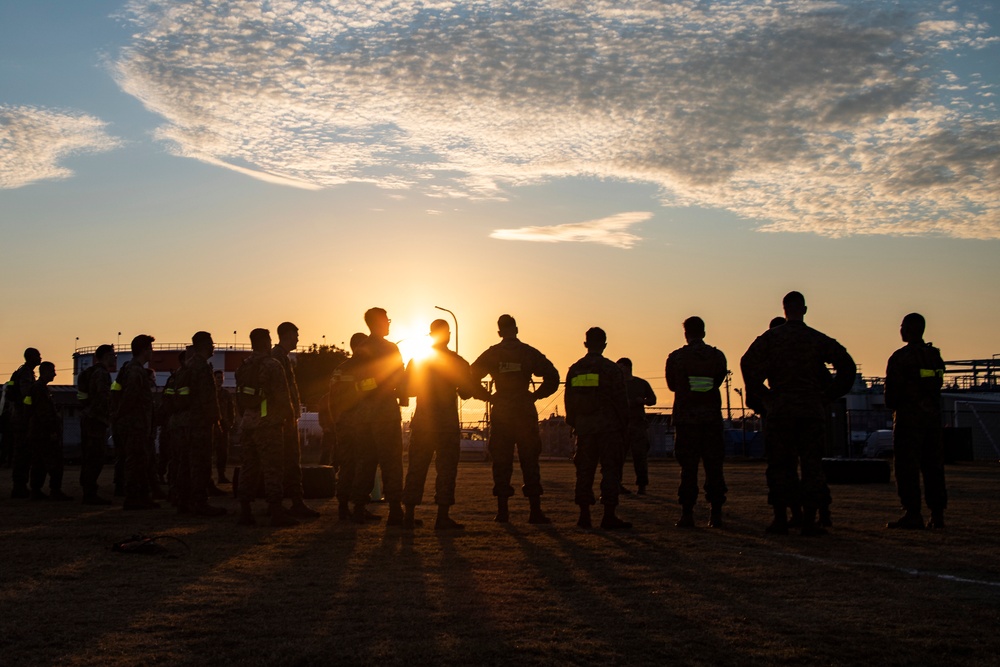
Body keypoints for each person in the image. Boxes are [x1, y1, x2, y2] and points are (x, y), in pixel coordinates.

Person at [741, 292, 855, 536]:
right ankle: (809, 521)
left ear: (784, 310)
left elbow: (746, 363)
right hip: (810, 411)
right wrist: (828, 396)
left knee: (781, 465)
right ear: (804, 309)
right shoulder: (816, 339)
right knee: (812, 466)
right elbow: (847, 365)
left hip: (781, 410)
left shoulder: (771, 339)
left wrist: (765, 395)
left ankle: (781, 518)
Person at [402, 320, 491, 530]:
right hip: (446, 424)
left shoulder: (418, 360)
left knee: (416, 468)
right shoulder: (457, 362)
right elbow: (467, 391)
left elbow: (409, 389)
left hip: (423, 423)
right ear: (448, 335)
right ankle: (442, 516)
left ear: (430, 335)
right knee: (447, 470)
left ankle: (409, 515)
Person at [470, 314, 560, 523]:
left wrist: (488, 397)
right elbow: (552, 377)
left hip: (501, 412)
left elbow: (470, 377)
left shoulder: (492, 355)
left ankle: (502, 512)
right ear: (516, 330)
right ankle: (535, 511)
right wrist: (535, 395)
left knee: (501, 462)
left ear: (499, 332)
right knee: (530, 461)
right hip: (524, 412)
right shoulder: (528, 353)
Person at [884, 313, 947, 530]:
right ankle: (937, 514)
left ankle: (913, 513)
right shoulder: (934, 356)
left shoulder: (900, 358)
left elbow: (890, 397)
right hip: (932, 420)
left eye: (902, 326)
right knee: (934, 468)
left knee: (907, 469)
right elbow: (937, 383)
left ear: (908, 329)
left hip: (908, 421)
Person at [565, 327, 631, 530]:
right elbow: (622, 400)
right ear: (604, 344)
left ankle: (584, 516)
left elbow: (569, 400)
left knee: (584, 472)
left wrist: (575, 422)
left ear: (586, 344)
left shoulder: (576, 369)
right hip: (609, 429)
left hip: (585, 429)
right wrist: (623, 425)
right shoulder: (612, 369)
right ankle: (608, 516)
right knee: (610, 471)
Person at [665, 318, 728, 528]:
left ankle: (687, 514)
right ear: (704, 331)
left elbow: (672, 385)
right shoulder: (717, 356)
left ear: (686, 333)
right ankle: (716, 514)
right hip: (711, 419)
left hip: (687, 421)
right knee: (714, 467)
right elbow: (718, 380)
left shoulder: (676, 358)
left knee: (688, 469)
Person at [236, 328, 299, 527]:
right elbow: (283, 397)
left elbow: (240, 398)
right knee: (273, 469)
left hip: (248, 424)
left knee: (249, 468)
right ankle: (276, 511)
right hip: (269, 425)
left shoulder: (244, 367)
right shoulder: (273, 365)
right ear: (266, 342)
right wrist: (288, 419)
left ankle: (245, 511)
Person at [352, 308, 407, 525]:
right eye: (387, 320)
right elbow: (399, 379)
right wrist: (388, 387)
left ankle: (358, 507)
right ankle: (395, 510)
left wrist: (372, 387)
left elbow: (358, 383)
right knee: (391, 462)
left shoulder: (361, 349)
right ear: (378, 322)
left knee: (365, 462)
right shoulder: (389, 348)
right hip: (384, 413)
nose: (389, 323)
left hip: (363, 415)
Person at [172, 331, 225, 516]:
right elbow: (207, 399)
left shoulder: (186, 366)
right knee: (200, 464)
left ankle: (183, 502)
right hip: (200, 423)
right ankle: (199, 502)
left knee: (185, 464)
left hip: (185, 423)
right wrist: (216, 420)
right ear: (205, 345)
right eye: (211, 343)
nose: (213, 346)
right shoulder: (201, 367)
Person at [272, 321, 320, 519]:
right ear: (287, 335)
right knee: (287, 461)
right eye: (296, 335)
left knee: (290, 461)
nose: (298, 339)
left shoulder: (282, 358)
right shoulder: (276, 358)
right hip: (282, 420)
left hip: (286, 419)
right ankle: (288, 503)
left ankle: (294, 501)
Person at [328, 333, 374, 522]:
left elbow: (331, 397)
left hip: (342, 423)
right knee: (365, 464)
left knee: (346, 465)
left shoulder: (340, 369)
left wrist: (335, 421)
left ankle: (342, 506)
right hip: (362, 423)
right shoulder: (366, 368)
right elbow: (370, 390)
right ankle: (359, 507)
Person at [113, 335, 159, 510]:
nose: (152, 352)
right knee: (136, 461)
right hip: (135, 424)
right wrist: (121, 415)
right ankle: (133, 497)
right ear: (144, 350)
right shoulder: (135, 371)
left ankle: (142, 496)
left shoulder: (130, 369)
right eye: (150, 349)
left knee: (142, 460)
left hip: (138, 423)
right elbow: (129, 398)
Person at [25, 362, 71, 501]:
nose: (55, 374)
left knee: (39, 462)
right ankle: (54, 490)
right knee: (55, 462)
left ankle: (36, 490)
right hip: (44, 433)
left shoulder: (39, 388)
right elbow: (43, 413)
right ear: (45, 372)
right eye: (52, 371)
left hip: (38, 433)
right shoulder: (39, 390)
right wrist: (52, 431)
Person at [78, 344, 115, 505]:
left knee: (90, 456)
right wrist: (108, 414)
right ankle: (90, 493)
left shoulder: (90, 372)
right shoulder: (101, 374)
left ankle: (88, 490)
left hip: (89, 419)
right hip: (96, 421)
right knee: (95, 457)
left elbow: (82, 398)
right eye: (113, 355)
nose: (115, 358)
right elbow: (103, 398)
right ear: (106, 356)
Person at [616, 358, 656, 496]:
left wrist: (643, 401)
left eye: (621, 367)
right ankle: (617, 484)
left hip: (638, 425)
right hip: (620, 425)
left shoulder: (641, 384)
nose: (619, 370)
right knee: (617, 457)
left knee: (640, 457)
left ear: (628, 367)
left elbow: (653, 399)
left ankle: (642, 486)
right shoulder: (616, 384)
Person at [6, 347, 42, 498]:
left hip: (21, 417)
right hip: (23, 419)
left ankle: (20, 486)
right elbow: (27, 393)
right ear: (31, 357)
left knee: (23, 453)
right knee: (22, 453)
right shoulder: (26, 373)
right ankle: (19, 487)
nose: (40, 358)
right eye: (38, 356)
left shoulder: (24, 371)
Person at [214, 370, 235, 484]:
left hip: (224, 427)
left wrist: (230, 423)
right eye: (217, 378)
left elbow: (231, 409)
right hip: (212, 427)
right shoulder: (211, 393)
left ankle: (221, 475)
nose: (219, 380)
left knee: (223, 453)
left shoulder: (226, 394)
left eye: (221, 378)